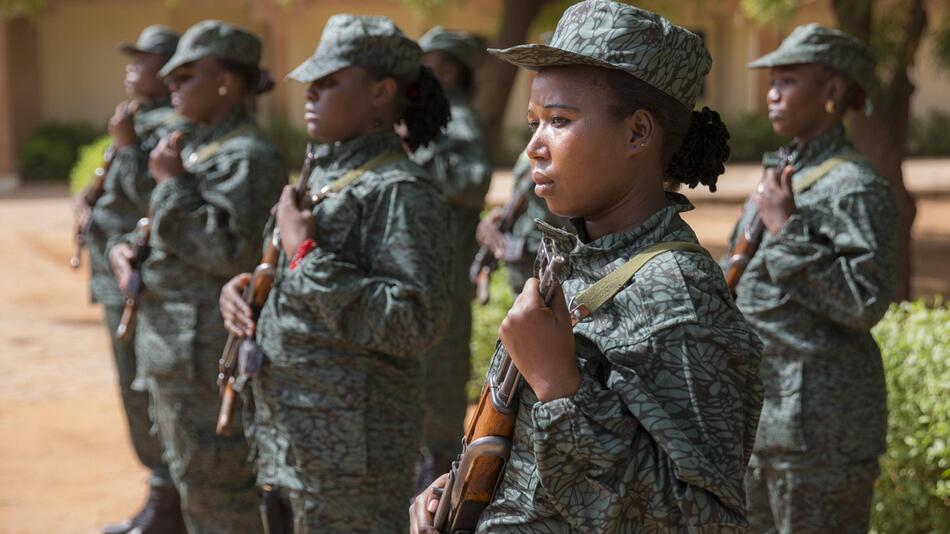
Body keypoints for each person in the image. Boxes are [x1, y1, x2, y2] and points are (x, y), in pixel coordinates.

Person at [412, 1, 764, 531]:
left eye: (560, 121)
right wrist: (463, 487)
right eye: (535, 122)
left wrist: (558, 385)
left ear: (638, 133)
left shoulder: (678, 293)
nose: (534, 147)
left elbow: (705, 519)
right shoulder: (578, 258)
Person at [218, 14, 453, 533]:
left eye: (328, 83)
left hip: (353, 456)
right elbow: (292, 277)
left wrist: (304, 252)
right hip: (290, 436)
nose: (310, 93)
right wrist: (247, 292)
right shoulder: (323, 173)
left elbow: (415, 322)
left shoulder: (400, 191)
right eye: (312, 82)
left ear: (381, 92)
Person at [108, 19, 286, 534]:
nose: (173, 85)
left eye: (187, 75)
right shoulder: (197, 146)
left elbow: (230, 252)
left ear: (227, 83)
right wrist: (128, 252)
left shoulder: (248, 156)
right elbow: (163, 229)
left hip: (204, 355)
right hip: (175, 349)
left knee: (220, 492)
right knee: (193, 481)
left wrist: (173, 186)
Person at [733, 24, 895, 533]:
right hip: (763, 417)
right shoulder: (782, 175)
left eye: (787, 81)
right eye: (771, 81)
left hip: (822, 429)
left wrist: (785, 230)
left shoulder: (855, 187)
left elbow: (863, 301)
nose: (772, 94)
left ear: (831, 92)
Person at [74, 25, 186, 534]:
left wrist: (126, 148)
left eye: (143, 59)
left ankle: (169, 502)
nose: (131, 67)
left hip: (140, 282)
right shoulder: (138, 116)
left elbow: (154, 197)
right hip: (114, 278)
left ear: (167, 69)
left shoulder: (170, 125)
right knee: (134, 390)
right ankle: (161, 494)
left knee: (147, 391)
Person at [411, 26, 493, 487]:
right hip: (423, 261)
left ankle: (439, 461)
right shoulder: (431, 115)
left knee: (441, 364)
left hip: (446, 260)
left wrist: (422, 154)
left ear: (451, 69)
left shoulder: (457, 118)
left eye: (434, 61)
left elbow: (470, 182)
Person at [476, 152, 568, 295]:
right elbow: (521, 201)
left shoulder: (566, 145)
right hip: (524, 266)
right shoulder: (532, 148)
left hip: (558, 268)